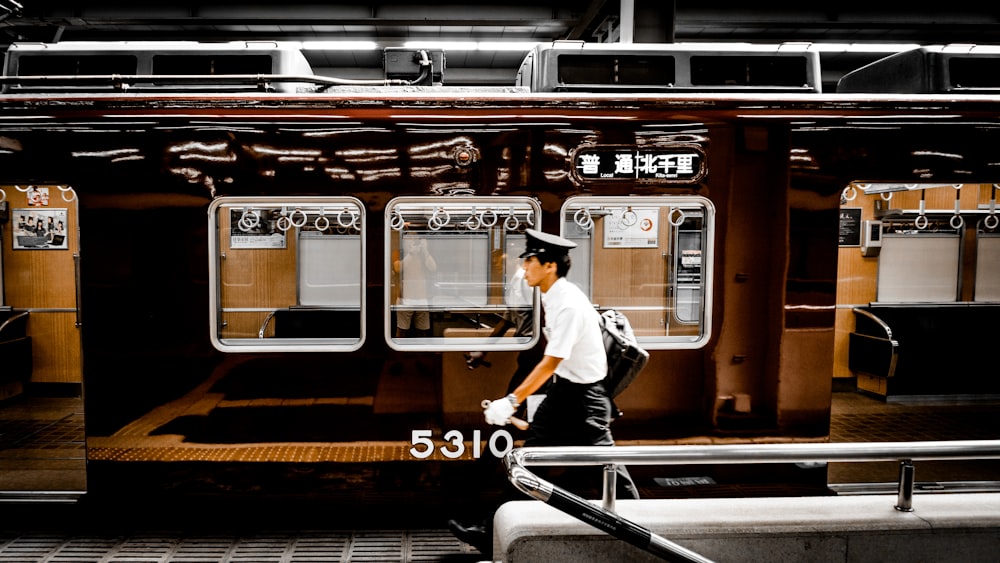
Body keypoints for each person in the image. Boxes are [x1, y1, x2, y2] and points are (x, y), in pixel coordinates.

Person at [448, 228, 639, 555]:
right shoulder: (554, 296)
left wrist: (511, 401)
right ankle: (490, 530)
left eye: (529, 261)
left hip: (586, 399)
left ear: (549, 266)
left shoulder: (567, 305)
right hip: (564, 393)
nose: (524, 268)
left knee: (608, 468)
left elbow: (549, 363)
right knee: (527, 462)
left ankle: (649, 522)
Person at [393, 236, 436, 338]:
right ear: (403, 242)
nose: (411, 244)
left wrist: (425, 251)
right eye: (408, 241)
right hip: (404, 299)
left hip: (422, 298)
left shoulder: (423, 256)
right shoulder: (399, 254)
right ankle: (399, 353)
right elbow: (398, 268)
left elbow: (433, 268)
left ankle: (421, 352)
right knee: (401, 331)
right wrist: (410, 254)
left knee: (423, 332)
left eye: (413, 241)